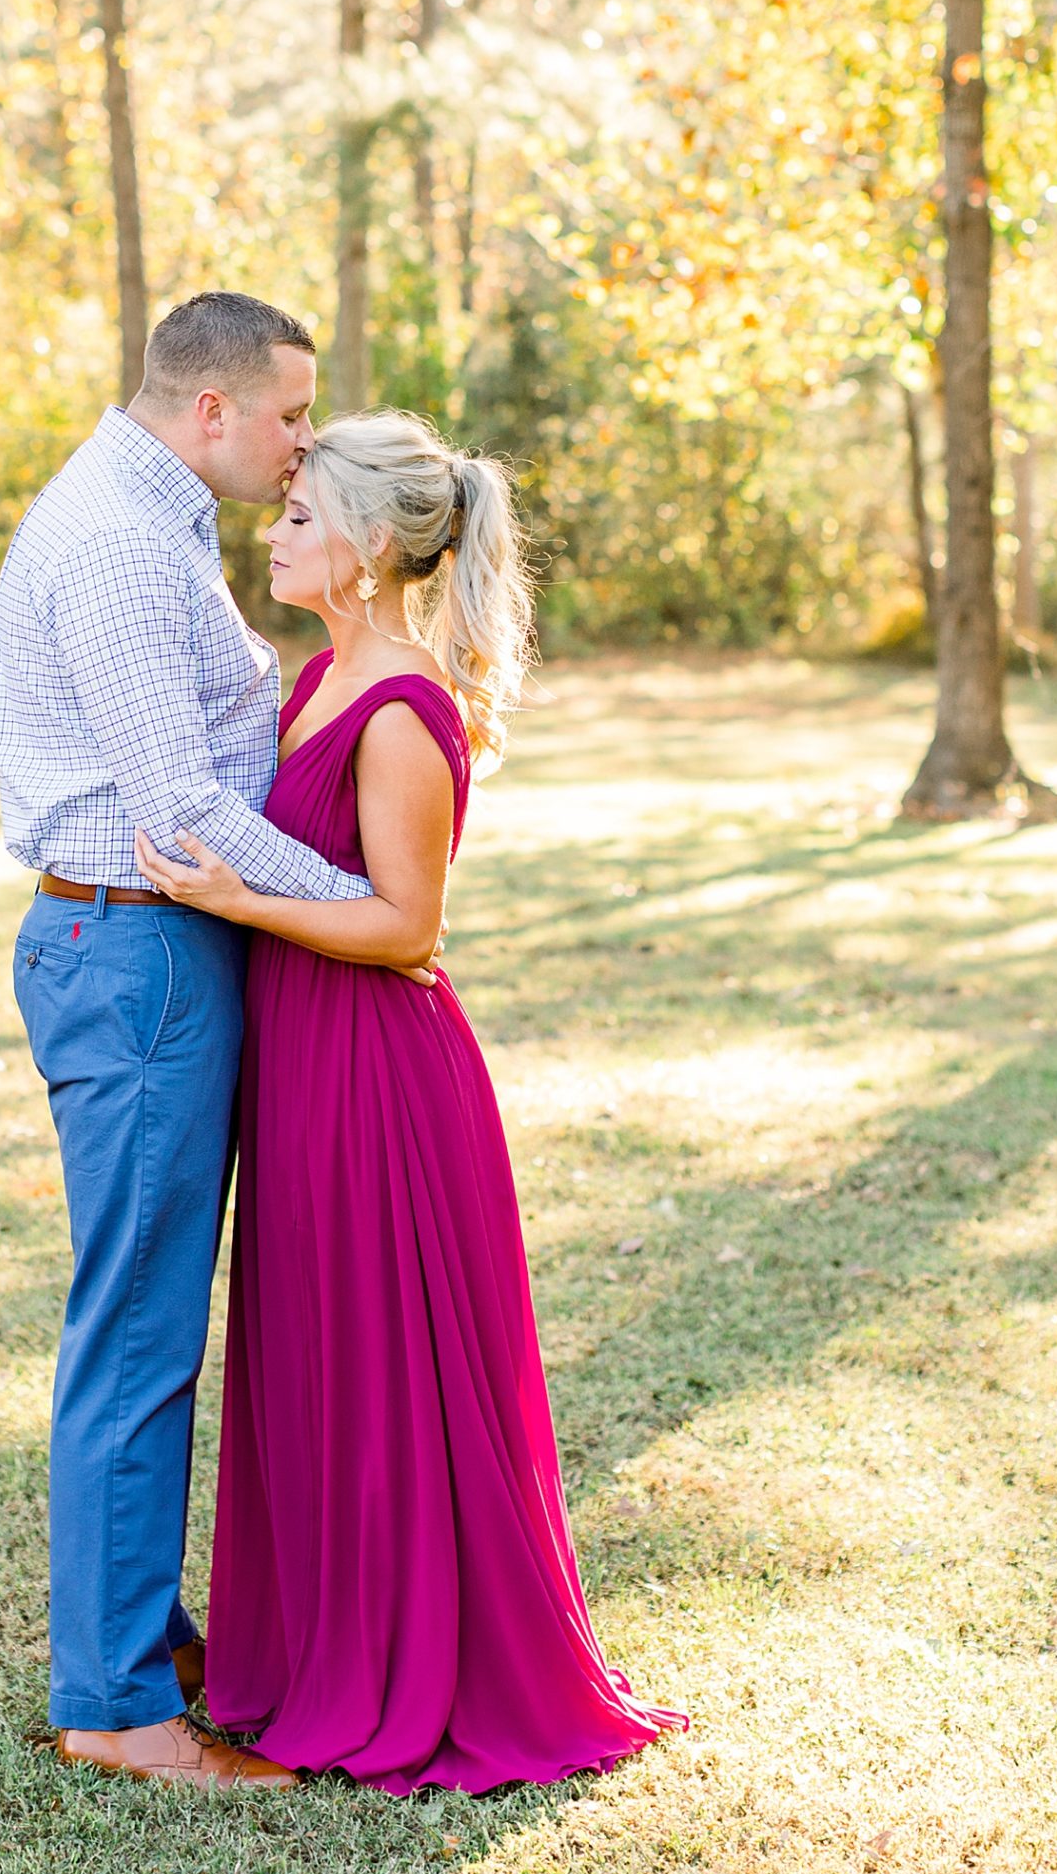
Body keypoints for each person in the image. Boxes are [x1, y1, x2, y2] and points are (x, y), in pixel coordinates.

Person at [134, 410, 690, 1794]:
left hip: (381, 1078)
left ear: (373, 548)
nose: (273, 529)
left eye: (299, 514)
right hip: (300, 1066)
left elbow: (405, 929)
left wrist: (230, 897)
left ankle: (418, 1661)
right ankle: (314, 1644)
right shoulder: (311, 680)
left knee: (388, 1371)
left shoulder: (400, 710)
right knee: (317, 1358)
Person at [0, 291, 387, 1792]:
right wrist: (374, 908)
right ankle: (115, 1705)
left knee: (151, 1321)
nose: (299, 451)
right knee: (140, 1333)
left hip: (152, 949)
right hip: (135, 951)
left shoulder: (146, 520)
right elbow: (184, 813)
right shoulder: (113, 543)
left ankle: (141, 1631)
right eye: (288, 416)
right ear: (209, 409)